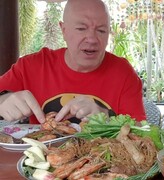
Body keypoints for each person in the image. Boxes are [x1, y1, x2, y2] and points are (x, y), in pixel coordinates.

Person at [0, 0, 146, 124]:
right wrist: (2, 100)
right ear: (63, 30)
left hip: (105, 156)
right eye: (81, 29)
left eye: (101, 31)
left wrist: (107, 118)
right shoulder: (31, 66)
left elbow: (142, 132)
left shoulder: (123, 73)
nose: (92, 39)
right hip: (42, 156)